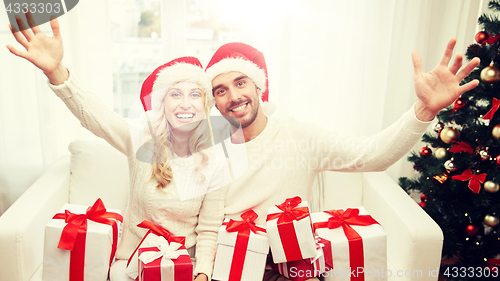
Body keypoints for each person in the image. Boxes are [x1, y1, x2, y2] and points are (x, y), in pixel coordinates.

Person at [204, 41, 480, 281]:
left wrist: (424, 109)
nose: (234, 96)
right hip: (230, 263)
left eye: (240, 83)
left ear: (258, 86)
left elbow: (371, 154)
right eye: (221, 90)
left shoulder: (299, 136)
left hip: (290, 265)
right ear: (215, 102)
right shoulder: (210, 150)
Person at [6, 14, 232, 281]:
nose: (185, 104)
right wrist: (56, 71)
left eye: (195, 94)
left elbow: (208, 230)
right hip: (131, 263)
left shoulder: (216, 160)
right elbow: (95, 115)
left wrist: (202, 274)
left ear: (205, 106)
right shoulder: (141, 136)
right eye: (175, 94)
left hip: (184, 266)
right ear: (162, 104)